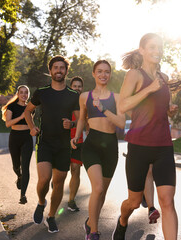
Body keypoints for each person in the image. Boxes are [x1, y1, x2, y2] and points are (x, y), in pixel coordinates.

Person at [112, 33, 179, 240]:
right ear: (142, 50)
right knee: (133, 202)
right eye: (152, 47)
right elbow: (122, 105)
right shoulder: (135, 75)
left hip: (163, 146)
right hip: (139, 147)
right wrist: (149, 89)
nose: (157, 51)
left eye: (160, 47)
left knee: (167, 202)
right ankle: (122, 221)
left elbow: (159, 107)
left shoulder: (164, 78)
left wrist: (170, 110)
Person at [24, 55, 80, 233]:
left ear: (66, 71)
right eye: (55, 67)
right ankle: (41, 202)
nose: (58, 70)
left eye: (62, 68)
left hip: (63, 146)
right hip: (45, 143)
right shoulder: (42, 92)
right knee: (44, 179)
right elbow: (27, 111)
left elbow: (80, 120)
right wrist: (32, 127)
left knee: (58, 183)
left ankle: (51, 216)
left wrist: (71, 124)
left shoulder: (73, 95)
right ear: (50, 71)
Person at [71, 60, 125, 240]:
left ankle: (89, 223)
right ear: (94, 74)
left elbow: (121, 123)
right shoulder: (84, 96)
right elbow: (81, 119)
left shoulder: (117, 98)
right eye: (100, 71)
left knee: (102, 193)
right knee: (98, 187)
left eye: (107, 72)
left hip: (110, 146)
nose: (103, 75)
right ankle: (94, 232)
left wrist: (103, 109)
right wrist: (77, 136)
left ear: (110, 74)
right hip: (92, 145)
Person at [1, 85, 33, 204]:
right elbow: (8, 124)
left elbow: (30, 123)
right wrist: (21, 116)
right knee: (16, 166)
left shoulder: (30, 108)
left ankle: (23, 195)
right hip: (14, 138)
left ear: (28, 95)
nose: (24, 95)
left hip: (27, 138)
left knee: (25, 167)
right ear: (18, 94)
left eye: (26, 93)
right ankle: (19, 176)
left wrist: (34, 128)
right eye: (21, 92)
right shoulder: (12, 106)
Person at [64, 76, 84, 212]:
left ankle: (71, 200)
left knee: (75, 170)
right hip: (62, 140)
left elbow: (86, 122)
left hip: (78, 141)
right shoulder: (64, 101)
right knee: (61, 171)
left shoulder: (85, 103)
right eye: (74, 86)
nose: (77, 88)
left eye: (79, 86)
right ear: (71, 87)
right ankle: (56, 180)